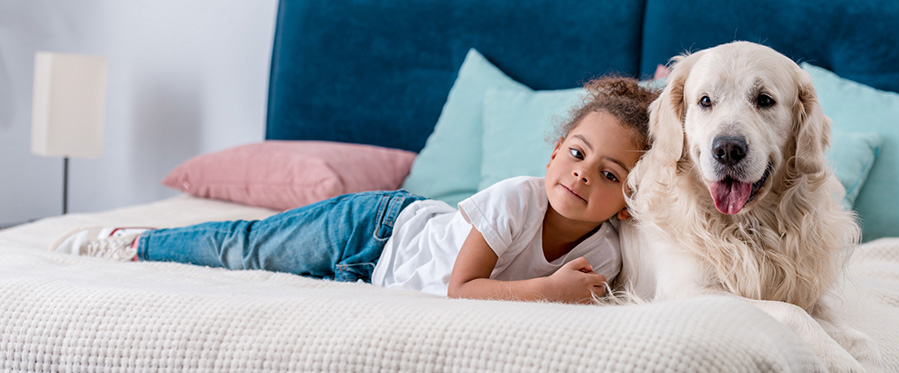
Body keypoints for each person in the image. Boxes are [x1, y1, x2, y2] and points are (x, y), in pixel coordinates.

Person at [50, 76, 657, 304]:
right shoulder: (516, 199)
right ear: (554, 154)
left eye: (609, 174)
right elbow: (462, 288)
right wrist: (549, 291)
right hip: (374, 228)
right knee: (247, 247)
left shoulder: (604, 254)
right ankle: (134, 244)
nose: (582, 173)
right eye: (576, 154)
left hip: (367, 281)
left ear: (629, 200)